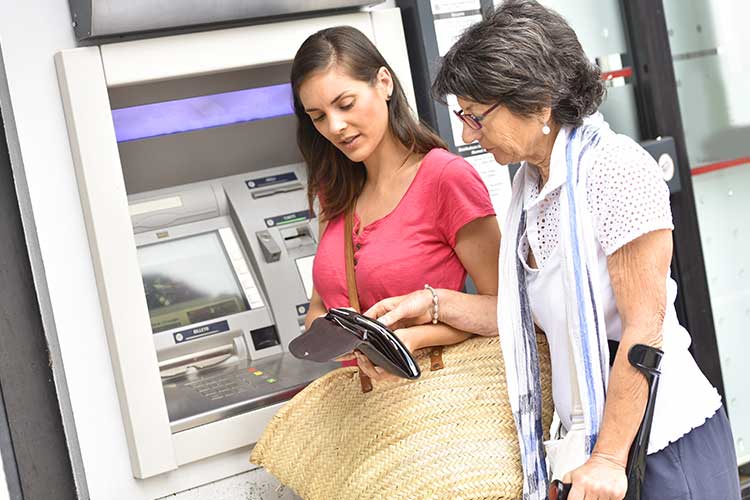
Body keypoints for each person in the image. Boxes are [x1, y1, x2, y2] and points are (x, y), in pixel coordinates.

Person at [366, 1, 742, 499]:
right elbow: (532, 315)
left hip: (657, 443)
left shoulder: (614, 171)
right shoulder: (532, 189)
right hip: (593, 444)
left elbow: (644, 330)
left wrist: (608, 457)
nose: (465, 135)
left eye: (476, 117)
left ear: (539, 103)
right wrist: (428, 307)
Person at [291, 26, 501, 380]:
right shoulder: (335, 189)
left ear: (384, 83)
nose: (336, 127)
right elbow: (319, 308)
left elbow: (504, 310)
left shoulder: (445, 177)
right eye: (318, 117)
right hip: (359, 412)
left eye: (345, 104)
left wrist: (412, 340)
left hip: (433, 399)